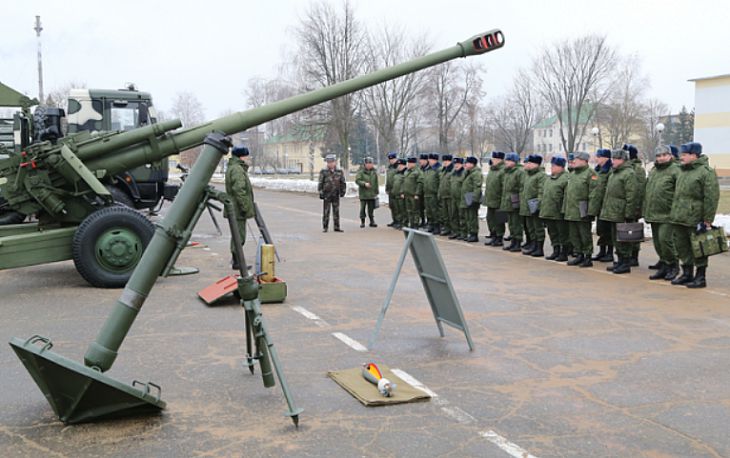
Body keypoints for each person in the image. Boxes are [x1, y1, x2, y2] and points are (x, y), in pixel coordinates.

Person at [669, 142, 720, 288]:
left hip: (695, 217)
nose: (681, 157)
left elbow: (711, 197)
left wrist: (708, 219)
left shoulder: (706, 172)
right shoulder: (681, 171)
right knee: (682, 246)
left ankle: (700, 276)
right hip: (679, 216)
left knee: (699, 248)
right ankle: (686, 273)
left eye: (684, 155)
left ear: (694, 155)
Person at [643, 145, 680, 280]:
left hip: (668, 214)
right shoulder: (654, 171)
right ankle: (664, 265)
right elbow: (648, 191)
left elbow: (679, 193)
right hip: (654, 213)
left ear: (670, 156)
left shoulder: (676, 170)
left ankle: (673, 266)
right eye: (658, 156)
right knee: (658, 243)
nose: (661, 158)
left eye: (664, 155)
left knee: (666, 241)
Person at [600, 149, 640, 274]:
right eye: (613, 159)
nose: (613, 161)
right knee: (616, 239)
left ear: (622, 160)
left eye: (616, 159)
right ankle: (620, 261)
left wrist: (629, 214)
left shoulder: (629, 174)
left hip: (621, 212)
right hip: (612, 212)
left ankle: (625, 263)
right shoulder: (614, 173)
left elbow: (632, 195)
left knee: (624, 240)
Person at [562, 152, 597, 267]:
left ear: (584, 161)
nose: (574, 161)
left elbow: (594, 194)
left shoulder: (590, 174)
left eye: (576, 159)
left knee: (584, 234)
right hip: (571, 209)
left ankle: (587, 256)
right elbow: (567, 193)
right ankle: (579, 254)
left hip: (582, 209)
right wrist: (564, 209)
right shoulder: (572, 174)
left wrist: (591, 211)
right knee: (574, 234)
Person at [225, 145, 255, 269]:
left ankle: (236, 260)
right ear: (241, 156)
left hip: (234, 208)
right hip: (237, 209)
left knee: (237, 235)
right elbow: (239, 190)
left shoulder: (234, 167)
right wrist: (245, 208)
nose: (249, 158)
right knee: (239, 236)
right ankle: (237, 262)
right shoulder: (237, 169)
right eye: (247, 156)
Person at [540, 156, 570, 260]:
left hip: (559, 211)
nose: (552, 167)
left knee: (562, 233)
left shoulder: (566, 178)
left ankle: (564, 252)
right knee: (552, 232)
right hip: (549, 210)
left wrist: (563, 210)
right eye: (551, 165)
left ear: (561, 167)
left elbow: (567, 196)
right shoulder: (549, 178)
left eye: (554, 166)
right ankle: (556, 250)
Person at [589, 149, 614, 263]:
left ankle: (609, 252)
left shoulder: (610, 171)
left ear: (606, 158)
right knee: (601, 229)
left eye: (599, 157)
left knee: (608, 230)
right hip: (598, 204)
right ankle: (602, 251)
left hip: (607, 204)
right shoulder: (597, 171)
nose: (596, 159)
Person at [624, 144, 647, 266]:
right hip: (626, 205)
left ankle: (634, 255)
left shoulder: (638, 169)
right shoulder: (626, 168)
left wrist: (637, 207)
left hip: (634, 205)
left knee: (633, 231)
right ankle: (627, 255)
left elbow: (639, 189)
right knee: (625, 231)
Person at [520, 154, 547, 256]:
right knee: (531, 228)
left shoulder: (541, 176)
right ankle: (533, 245)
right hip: (527, 205)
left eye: (531, 163)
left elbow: (541, 191)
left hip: (535, 206)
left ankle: (539, 248)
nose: (528, 165)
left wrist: (538, 205)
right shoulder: (527, 175)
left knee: (538, 228)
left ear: (537, 164)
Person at [500, 152, 525, 252]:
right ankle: (513, 241)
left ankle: (518, 242)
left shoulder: (519, 172)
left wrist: (517, 201)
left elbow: (521, 187)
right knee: (511, 223)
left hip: (515, 200)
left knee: (516, 223)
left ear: (514, 161)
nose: (506, 162)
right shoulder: (508, 172)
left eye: (509, 160)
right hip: (508, 200)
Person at [318, 154, 346, 232]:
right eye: (329, 162)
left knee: (336, 211)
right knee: (326, 211)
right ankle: (325, 227)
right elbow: (320, 182)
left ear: (335, 162)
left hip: (336, 194)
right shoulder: (324, 171)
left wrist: (343, 191)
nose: (330, 164)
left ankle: (337, 227)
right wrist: (320, 192)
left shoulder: (339, 171)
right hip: (327, 194)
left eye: (332, 162)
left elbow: (342, 182)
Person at [483, 151, 506, 246]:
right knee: (490, 219)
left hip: (498, 199)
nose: (493, 160)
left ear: (500, 160)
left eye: (495, 159)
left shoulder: (502, 170)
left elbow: (503, 186)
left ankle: (499, 237)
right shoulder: (492, 170)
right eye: (493, 159)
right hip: (490, 199)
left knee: (498, 220)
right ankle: (493, 235)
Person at [462, 156, 483, 242]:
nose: (465, 164)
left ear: (472, 164)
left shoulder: (476, 173)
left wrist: (475, 199)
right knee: (468, 217)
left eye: (467, 163)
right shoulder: (468, 172)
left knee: (472, 217)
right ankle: (470, 233)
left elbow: (477, 187)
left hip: (472, 197)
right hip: (467, 197)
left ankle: (474, 234)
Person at [355, 157, 379, 228]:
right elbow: (357, 180)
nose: (369, 165)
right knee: (363, 208)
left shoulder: (374, 172)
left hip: (371, 193)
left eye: (370, 163)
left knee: (371, 209)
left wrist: (376, 191)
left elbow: (376, 182)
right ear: (365, 164)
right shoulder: (361, 172)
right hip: (363, 193)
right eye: (367, 163)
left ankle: (372, 221)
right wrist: (364, 184)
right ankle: (362, 222)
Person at [403, 156, 425, 229]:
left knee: (415, 210)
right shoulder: (407, 172)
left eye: (410, 163)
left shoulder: (418, 172)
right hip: (407, 194)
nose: (408, 164)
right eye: (408, 163)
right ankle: (411, 223)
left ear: (414, 163)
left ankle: (416, 224)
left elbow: (420, 183)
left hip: (414, 195)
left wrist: (417, 193)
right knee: (409, 210)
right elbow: (404, 183)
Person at [423, 153, 442, 233]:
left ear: (435, 160)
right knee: (428, 211)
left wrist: (438, 193)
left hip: (434, 193)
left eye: (431, 160)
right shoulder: (427, 169)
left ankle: (437, 226)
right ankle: (430, 224)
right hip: (427, 193)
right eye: (429, 159)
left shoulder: (438, 169)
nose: (429, 161)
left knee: (435, 211)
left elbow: (440, 182)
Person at [448, 157, 467, 240]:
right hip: (453, 198)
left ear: (462, 164)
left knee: (462, 216)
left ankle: (464, 233)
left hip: (461, 198)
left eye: (458, 164)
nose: (456, 165)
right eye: (455, 164)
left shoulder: (464, 173)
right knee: (453, 215)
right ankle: (456, 231)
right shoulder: (453, 173)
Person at [437, 154, 454, 236]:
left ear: (450, 161)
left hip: (450, 195)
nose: (445, 163)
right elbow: (441, 183)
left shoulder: (452, 170)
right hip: (443, 195)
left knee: (452, 214)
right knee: (445, 214)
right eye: (444, 161)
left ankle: (453, 229)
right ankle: (447, 228)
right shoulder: (443, 171)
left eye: (446, 161)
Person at [391, 158, 407, 229]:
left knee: (403, 210)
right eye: (398, 165)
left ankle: (404, 223)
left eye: (400, 165)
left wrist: (403, 192)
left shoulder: (406, 173)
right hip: (396, 194)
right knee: (398, 210)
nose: (399, 166)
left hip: (402, 194)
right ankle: (400, 222)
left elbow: (405, 184)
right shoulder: (397, 173)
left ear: (404, 165)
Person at [385, 152, 399, 226]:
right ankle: (394, 220)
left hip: (396, 189)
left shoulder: (398, 166)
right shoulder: (390, 167)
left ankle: (399, 221)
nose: (391, 161)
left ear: (396, 159)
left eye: (393, 159)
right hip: (390, 189)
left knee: (397, 206)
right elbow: (388, 179)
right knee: (392, 206)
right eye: (390, 159)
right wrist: (387, 188)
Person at [418, 153, 429, 227]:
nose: (420, 161)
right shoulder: (420, 169)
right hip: (421, 191)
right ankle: (422, 221)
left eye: (422, 160)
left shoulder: (428, 168)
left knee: (428, 208)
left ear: (426, 160)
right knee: (420, 207)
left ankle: (428, 222)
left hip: (427, 191)